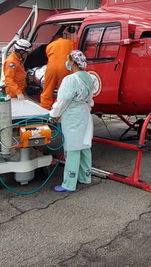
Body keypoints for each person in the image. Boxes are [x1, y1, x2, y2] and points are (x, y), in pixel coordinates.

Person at [50, 50, 95, 193]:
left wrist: (53, 115)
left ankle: (69, 183)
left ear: (72, 62)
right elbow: (90, 100)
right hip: (84, 114)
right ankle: (85, 177)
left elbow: (63, 101)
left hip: (72, 116)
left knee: (73, 149)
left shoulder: (70, 80)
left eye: (68, 60)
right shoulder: (89, 77)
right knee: (84, 146)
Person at [40, 26, 76, 110]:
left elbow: (48, 56)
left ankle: (44, 109)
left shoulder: (50, 45)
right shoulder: (71, 43)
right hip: (65, 68)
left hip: (51, 68)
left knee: (47, 89)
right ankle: (57, 111)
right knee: (62, 91)